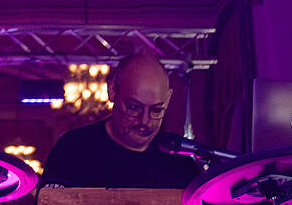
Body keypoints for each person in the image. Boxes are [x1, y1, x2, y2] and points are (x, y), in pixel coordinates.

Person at [41, 51, 203, 189]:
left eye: (156, 110)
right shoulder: (73, 150)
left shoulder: (181, 165)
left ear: (167, 100)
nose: (145, 121)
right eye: (134, 107)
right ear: (112, 91)